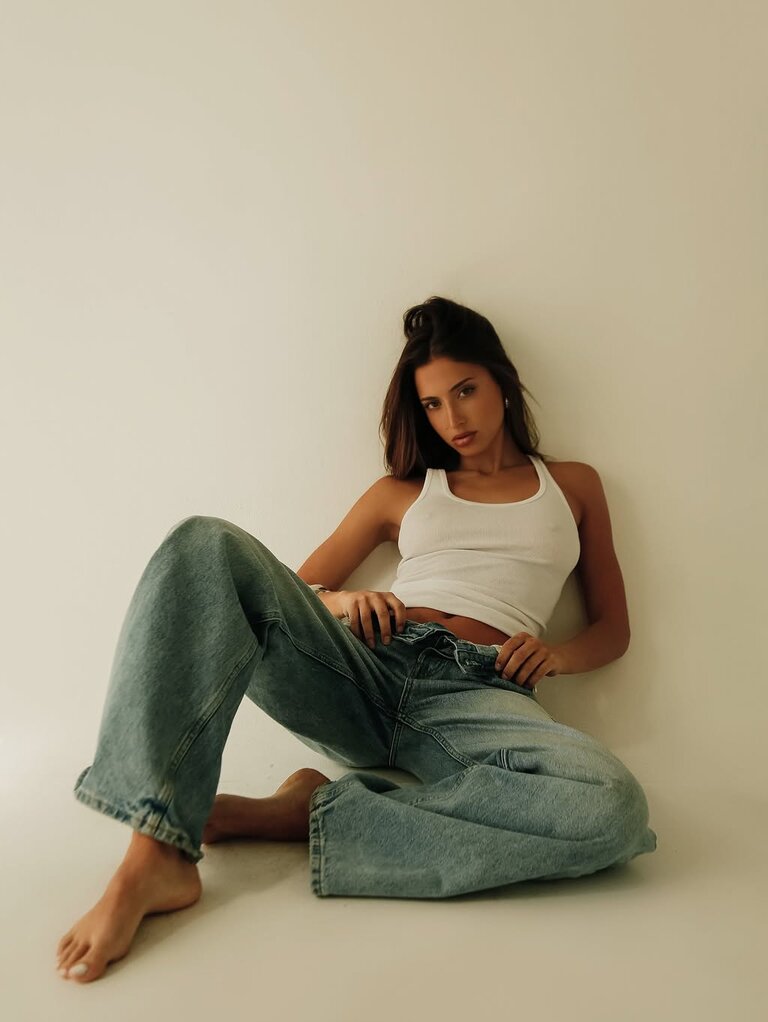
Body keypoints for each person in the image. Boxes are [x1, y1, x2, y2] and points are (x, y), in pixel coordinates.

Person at [56, 296, 657, 985]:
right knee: (205, 544)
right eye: (433, 404)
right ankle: (153, 852)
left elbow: (614, 629)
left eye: (465, 391)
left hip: (484, 690)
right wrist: (344, 603)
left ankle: (310, 812)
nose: (453, 419)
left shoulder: (573, 486)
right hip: (364, 666)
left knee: (610, 805)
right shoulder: (400, 492)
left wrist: (557, 655)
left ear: (501, 381)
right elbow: (286, 590)